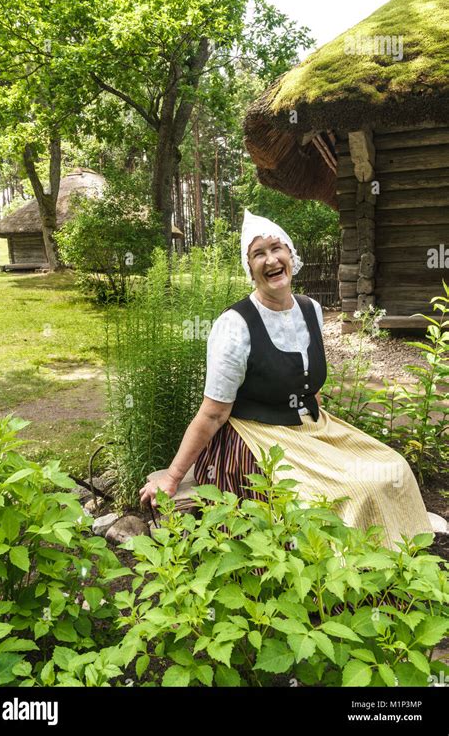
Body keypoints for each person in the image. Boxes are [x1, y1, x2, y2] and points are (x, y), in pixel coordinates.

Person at [139, 209, 434, 551]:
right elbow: (213, 413)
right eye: (258, 254)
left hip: (309, 425)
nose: (270, 259)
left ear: (290, 256)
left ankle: (397, 564)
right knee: (346, 493)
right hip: (254, 435)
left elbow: (309, 385)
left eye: (276, 248)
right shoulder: (235, 326)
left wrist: (323, 435)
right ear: (250, 269)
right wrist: (173, 477)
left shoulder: (310, 309)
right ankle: (342, 588)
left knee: (392, 466)